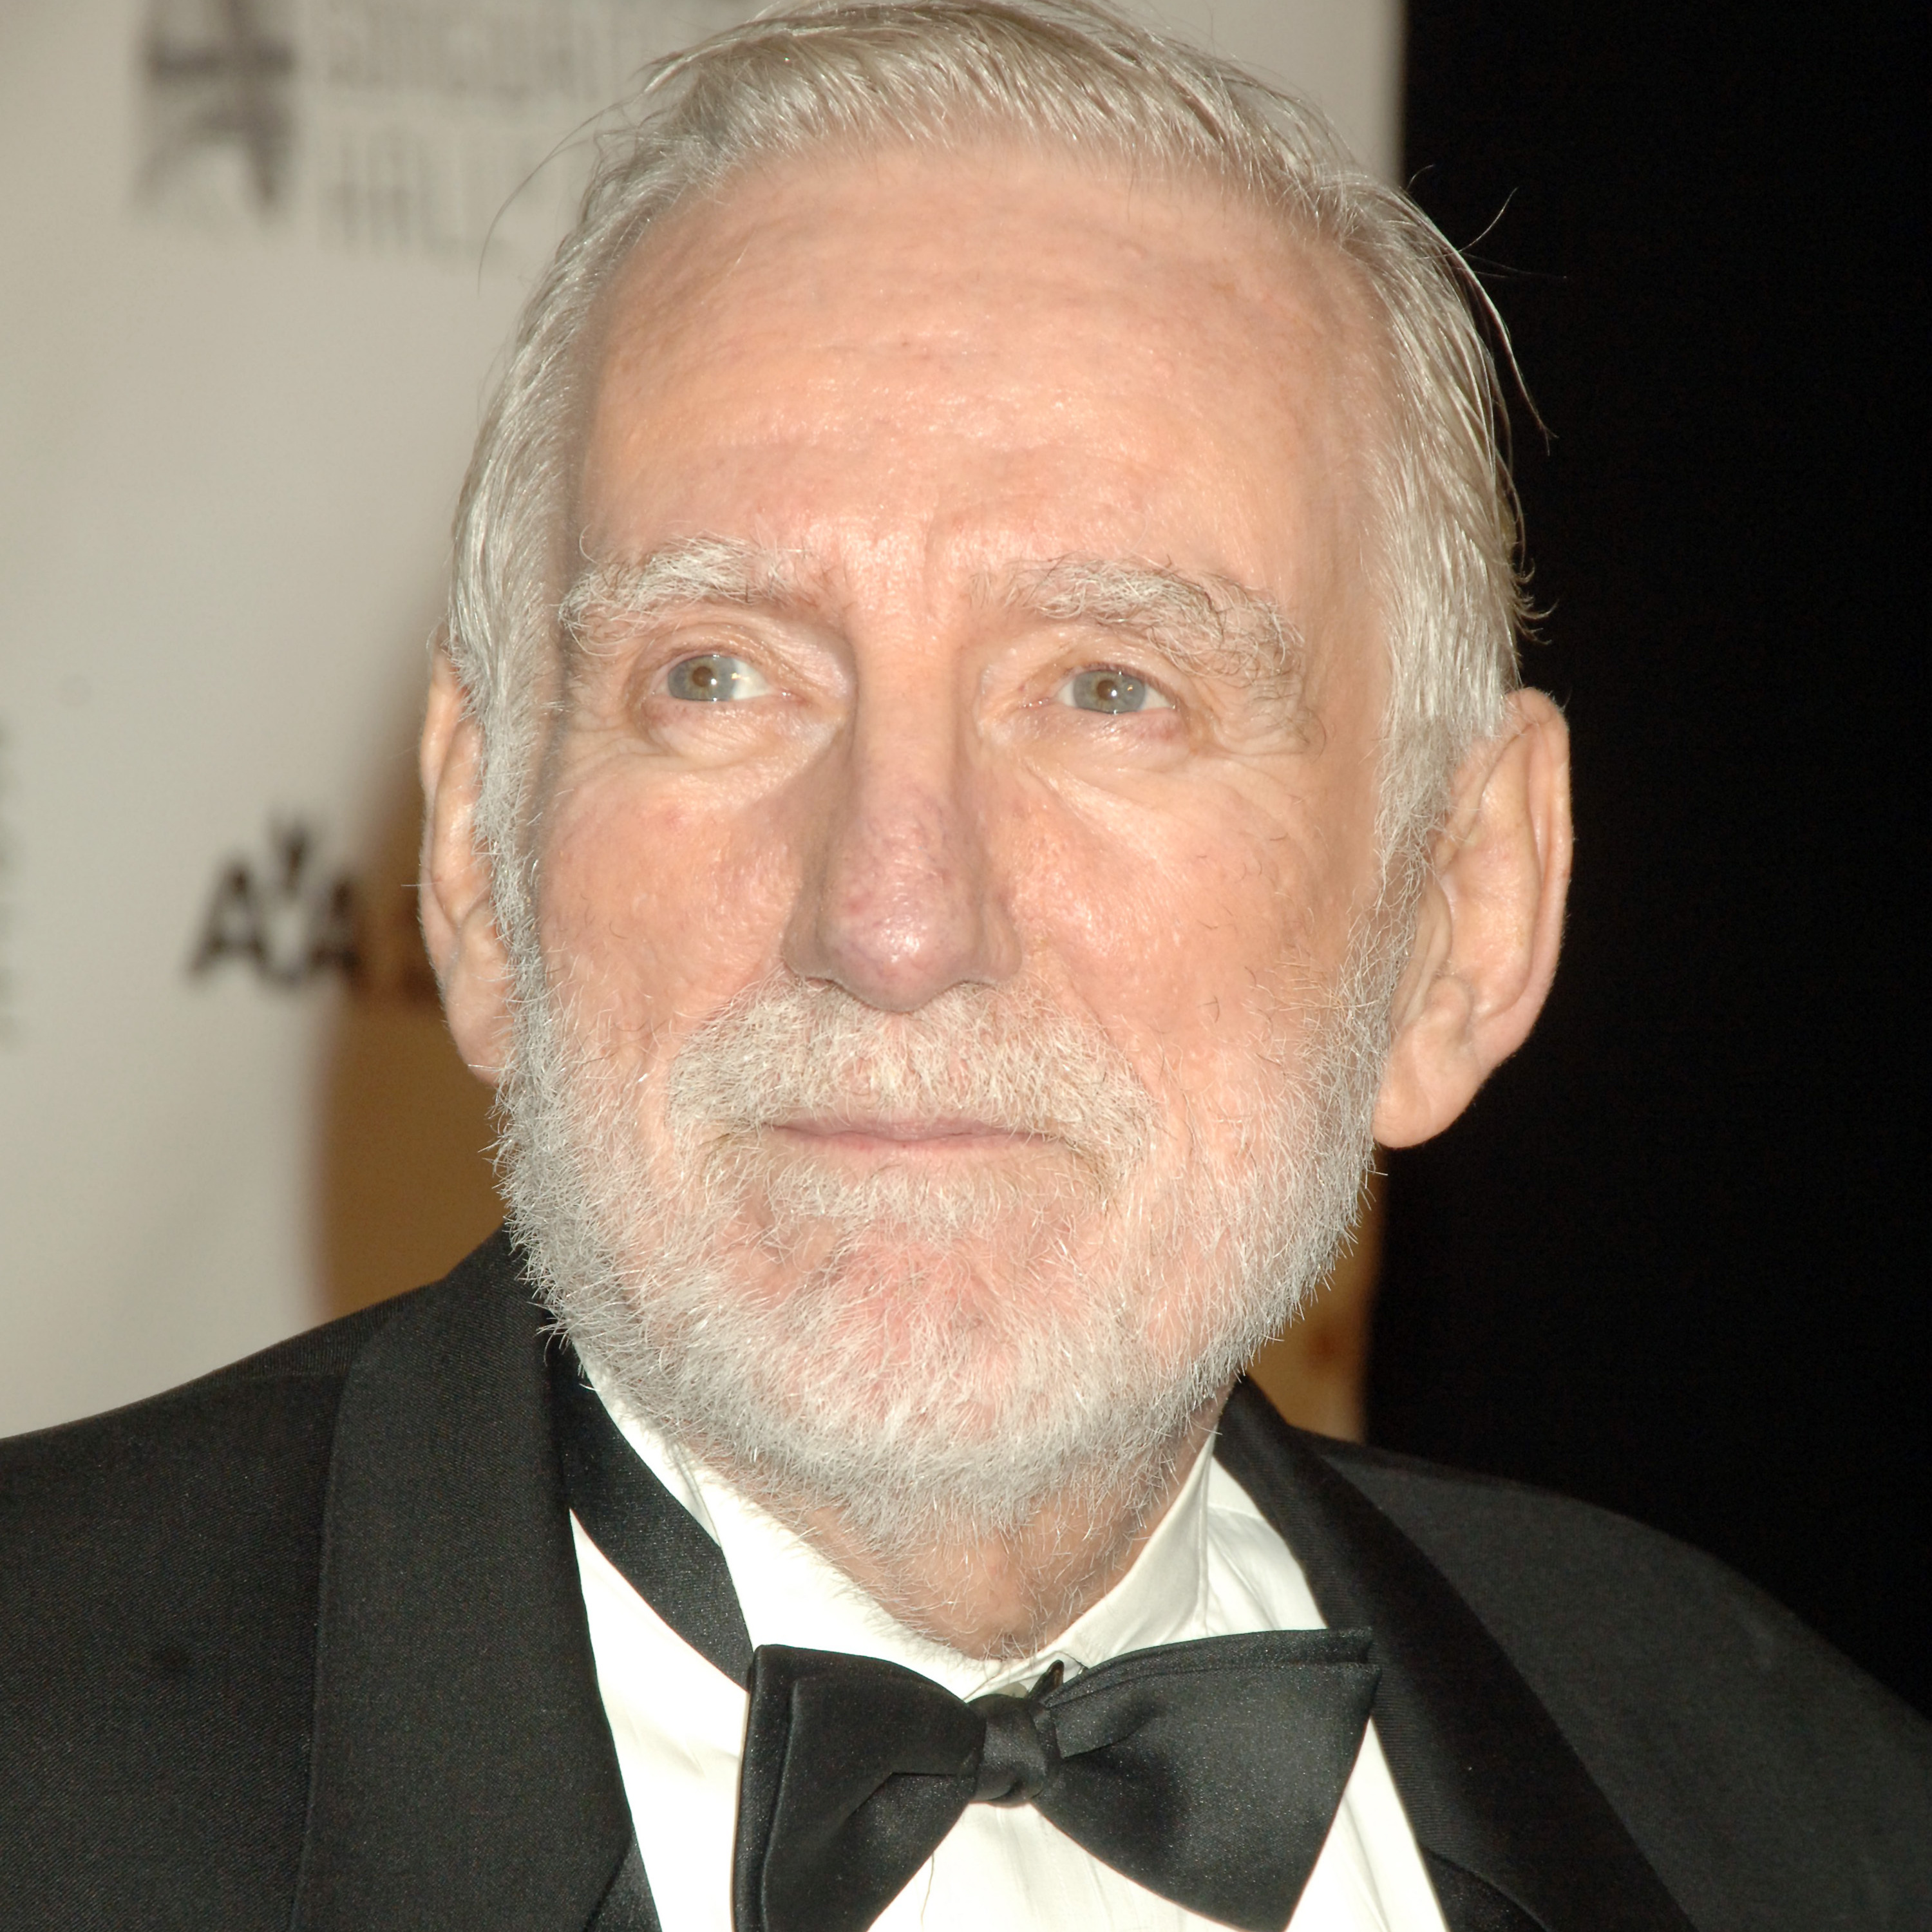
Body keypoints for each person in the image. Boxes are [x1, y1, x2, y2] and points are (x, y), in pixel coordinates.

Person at [2, 5, 1925, 1929]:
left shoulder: (1805, 1819)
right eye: (720, 677)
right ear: (479, 857)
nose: (896, 921)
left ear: (1461, 915)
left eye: (1110, 690)